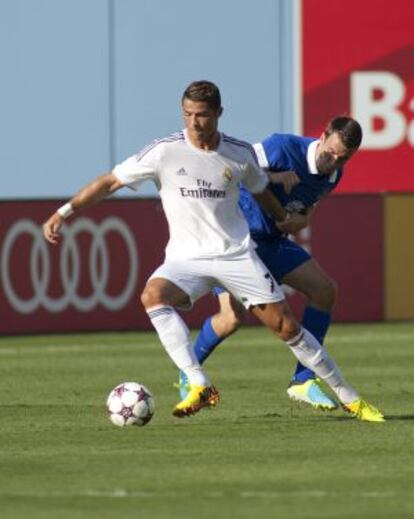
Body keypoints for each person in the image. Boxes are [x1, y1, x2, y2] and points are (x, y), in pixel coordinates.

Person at [43, 81, 384, 422]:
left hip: (236, 255)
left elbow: (261, 188)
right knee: (153, 295)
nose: (194, 122)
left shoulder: (237, 153)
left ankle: (348, 396)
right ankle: (197, 381)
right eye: (188, 114)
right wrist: (64, 212)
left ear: (219, 114)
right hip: (187, 259)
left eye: (202, 115)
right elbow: (110, 181)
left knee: (286, 327)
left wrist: (285, 218)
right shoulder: (164, 151)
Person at [177, 116, 366, 411]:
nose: (334, 161)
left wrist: (302, 220)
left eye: (343, 159)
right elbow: (233, 167)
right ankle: (189, 373)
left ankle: (302, 381)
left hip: (272, 241)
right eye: (331, 153)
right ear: (324, 134)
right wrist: (275, 178)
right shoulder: (282, 146)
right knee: (231, 319)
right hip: (235, 239)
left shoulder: (334, 175)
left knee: (325, 291)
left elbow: (307, 208)